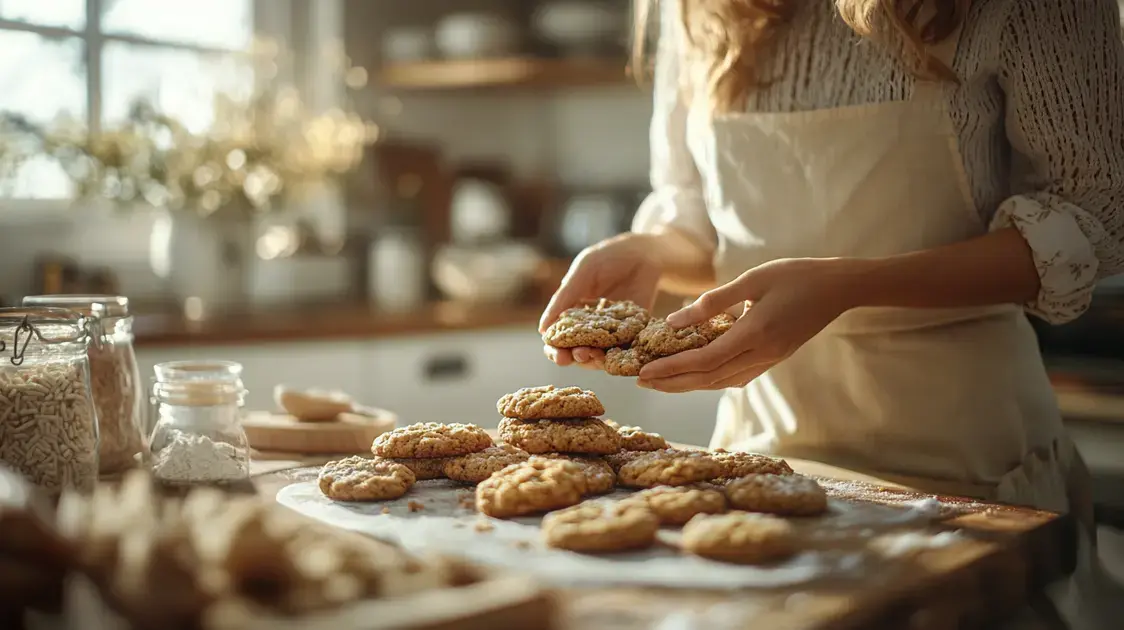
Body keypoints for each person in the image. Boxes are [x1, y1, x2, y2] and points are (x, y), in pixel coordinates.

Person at [540, 0, 1124, 627]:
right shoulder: (695, 10)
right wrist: (652, 250)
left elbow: (1095, 219)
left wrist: (850, 285)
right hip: (761, 451)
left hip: (969, 463)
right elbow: (699, 220)